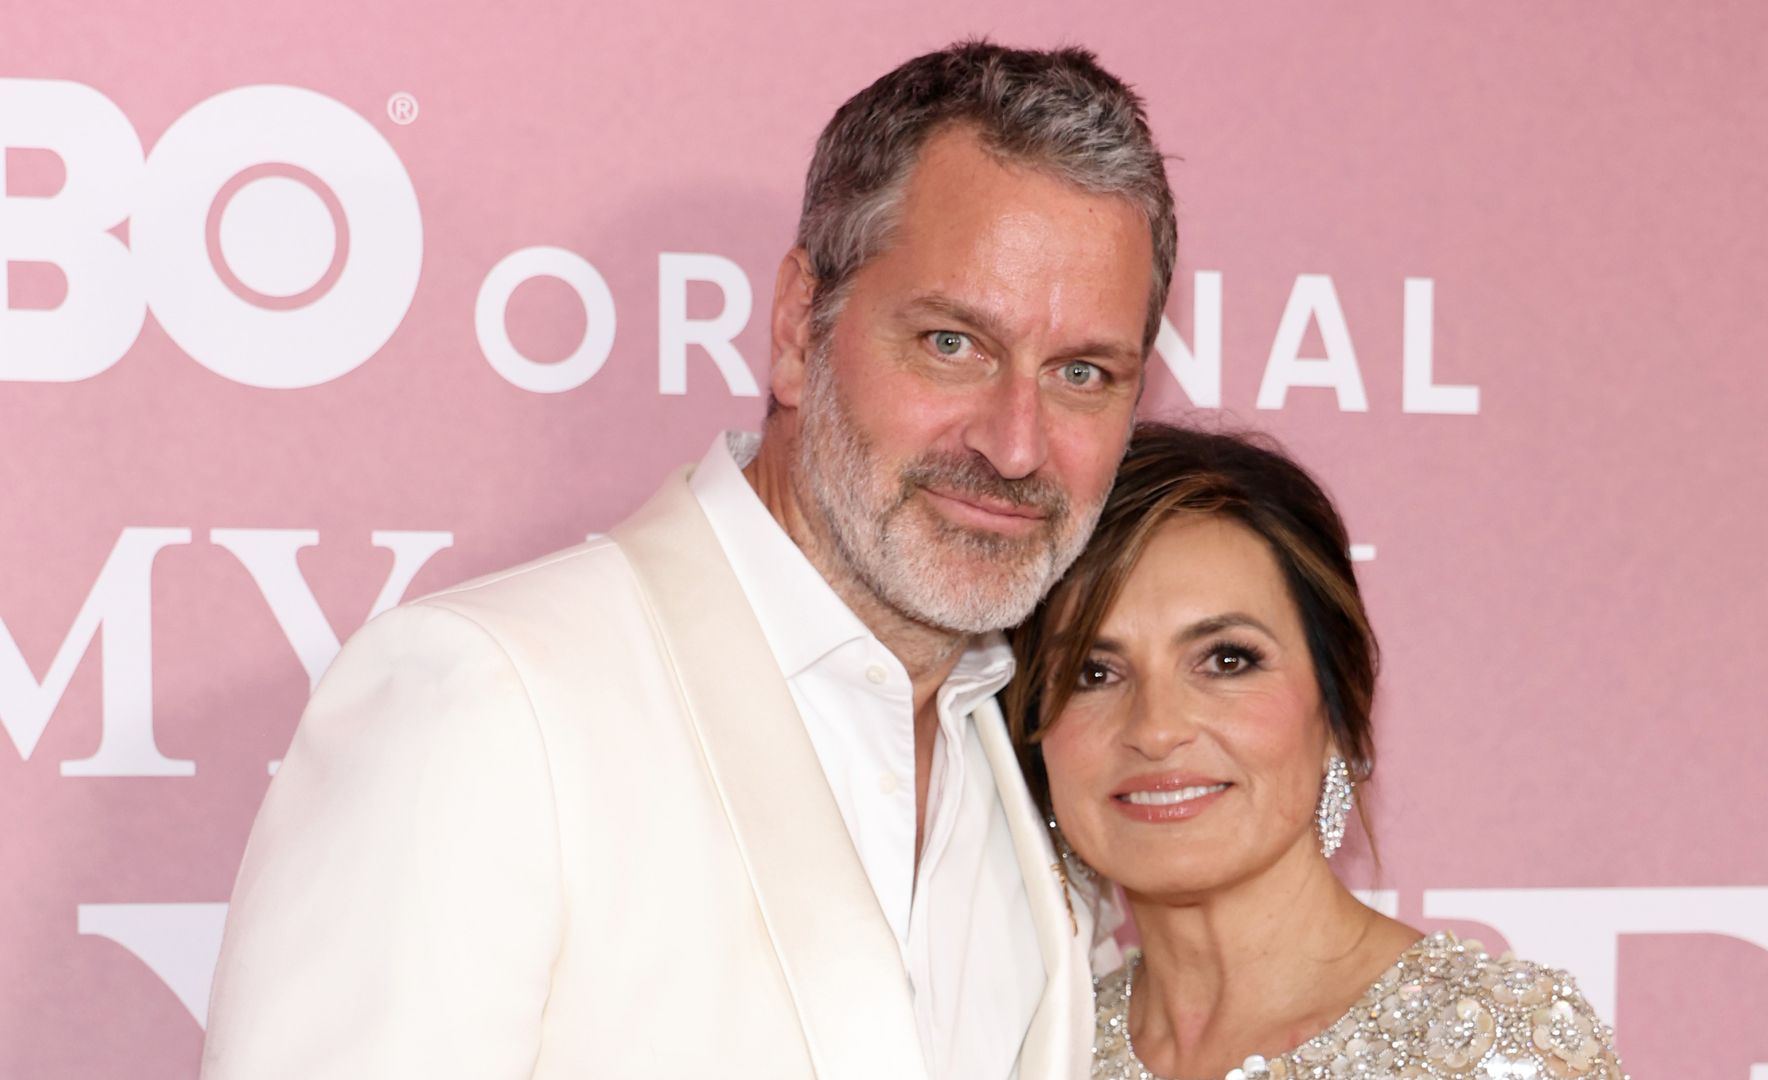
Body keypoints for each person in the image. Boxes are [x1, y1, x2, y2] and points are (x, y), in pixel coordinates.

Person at [201, 41, 1175, 1080]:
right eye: (952, 344)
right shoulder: (487, 701)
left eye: (1082, 372)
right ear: (801, 325)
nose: (1014, 443)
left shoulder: (1036, 774)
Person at [1006, 424, 1628, 1080]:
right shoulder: (1029, 1055)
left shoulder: (1499, 1051)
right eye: (1093, 673)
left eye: (1226, 660)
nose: (1156, 729)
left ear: (1335, 707)